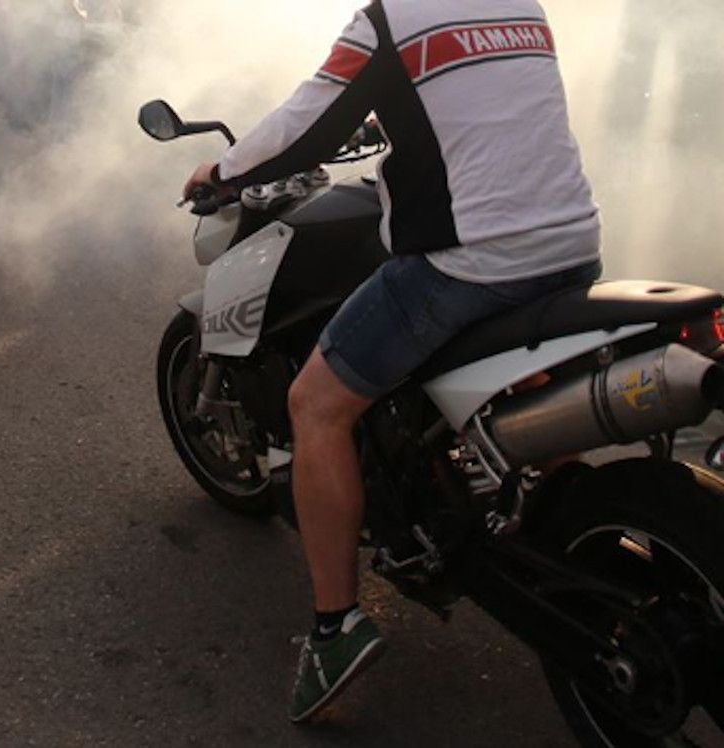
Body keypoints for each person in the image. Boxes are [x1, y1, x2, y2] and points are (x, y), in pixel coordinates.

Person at [182, 0, 603, 724]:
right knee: (535, 388)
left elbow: (304, 127)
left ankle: (335, 629)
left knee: (317, 404)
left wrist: (220, 171)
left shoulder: (390, 19)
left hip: (473, 263)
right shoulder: (522, 7)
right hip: (571, 247)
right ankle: (570, 534)